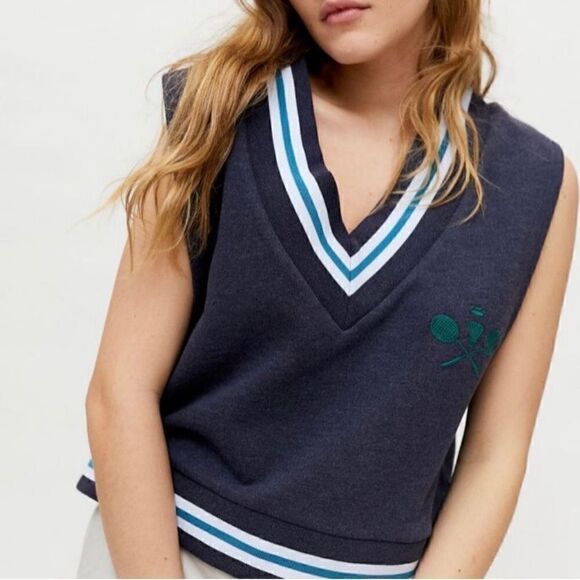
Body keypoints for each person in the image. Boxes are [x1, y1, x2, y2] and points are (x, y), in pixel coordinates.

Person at [74, 0, 578, 578]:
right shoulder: (219, 109)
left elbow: (495, 456)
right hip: (161, 556)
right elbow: (120, 393)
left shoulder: (534, 183)